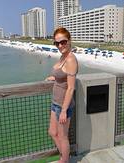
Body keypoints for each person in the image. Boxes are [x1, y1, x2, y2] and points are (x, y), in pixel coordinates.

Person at [45, 27, 78, 163]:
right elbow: (62, 74)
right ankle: (65, 157)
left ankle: (64, 160)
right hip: (56, 103)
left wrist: (64, 110)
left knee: (63, 136)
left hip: (63, 106)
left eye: (63, 42)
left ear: (69, 41)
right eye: (57, 43)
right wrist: (55, 78)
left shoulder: (70, 60)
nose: (60, 45)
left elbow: (70, 88)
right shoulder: (62, 56)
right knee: (52, 132)